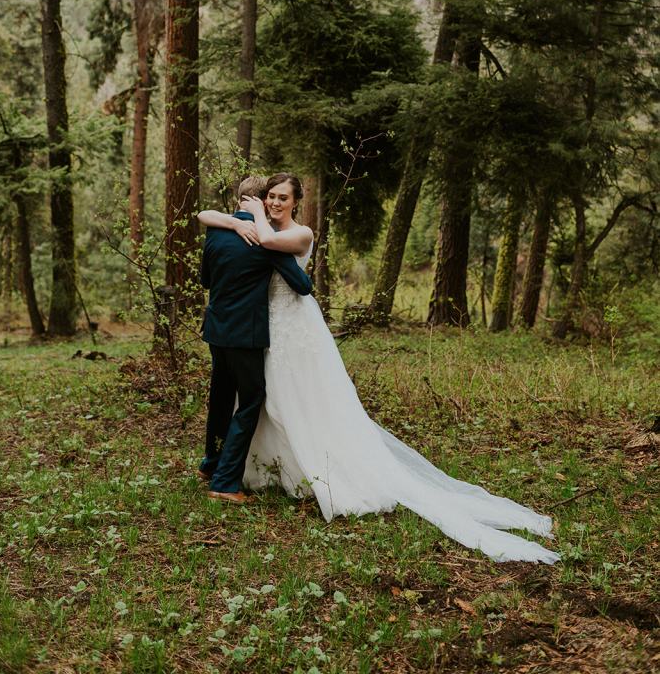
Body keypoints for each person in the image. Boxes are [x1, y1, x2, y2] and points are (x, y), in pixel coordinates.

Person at [199, 173, 559, 564]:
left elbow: (283, 270)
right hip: (262, 329)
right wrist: (241, 220)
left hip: (280, 328)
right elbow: (225, 227)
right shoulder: (254, 229)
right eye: (270, 197)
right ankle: (253, 469)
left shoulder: (293, 234)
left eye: (283, 197)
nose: (275, 202)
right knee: (263, 400)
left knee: (292, 397)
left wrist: (247, 217)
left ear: (296, 201)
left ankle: (263, 466)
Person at [196, 175, 313, 504]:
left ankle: (211, 463)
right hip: (245, 334)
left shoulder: (217, 233)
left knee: (220, 397)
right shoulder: (266, 240)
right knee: (250, 401)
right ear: (262, 202)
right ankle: (225, 482)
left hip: (217, 330)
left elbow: (206, 280)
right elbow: (301, 286)